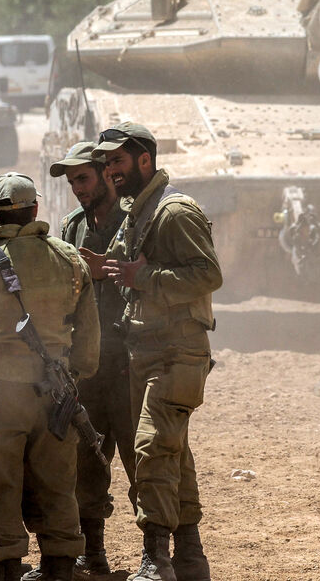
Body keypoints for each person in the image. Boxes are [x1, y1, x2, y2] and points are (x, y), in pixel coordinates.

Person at [0, 172, 100, 581]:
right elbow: (88, 343)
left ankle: (6, 569)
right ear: (36, 209)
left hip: (0, 394)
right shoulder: (70, 259)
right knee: (57, 484)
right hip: (56, 395)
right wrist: (75, 380)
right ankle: (60, 567)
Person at [88, 122, 220, 581]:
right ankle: (189, 558)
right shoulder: (137, 213)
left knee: (150, 448)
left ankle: (156, 560)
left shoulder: (174, 212)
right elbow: (134, 271)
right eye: (106, 163)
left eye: (118, 161)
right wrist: (109, 271)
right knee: (172, 453)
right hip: (146, 351)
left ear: (145, 159)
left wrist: (143, 278)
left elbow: (207, 276)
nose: (110, 171)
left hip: (176, 352)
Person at [51, 141, 137, 576]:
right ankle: (93, 551)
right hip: (87, 366)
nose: (77, 189)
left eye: (82, 178)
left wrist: (109, 270)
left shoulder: (135, 220)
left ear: (106, 173)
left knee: (142, 459)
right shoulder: (71, 226)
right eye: (71, 183)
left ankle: (156, 554)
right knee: (86, 458)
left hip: (129, 364)